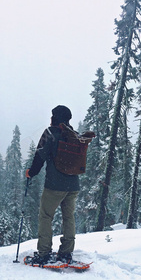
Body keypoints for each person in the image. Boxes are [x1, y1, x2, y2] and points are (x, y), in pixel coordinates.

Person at [25, 105, 92, 265]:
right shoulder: (74, 135)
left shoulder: (50, 133)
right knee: (69, 217)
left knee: (46, 217)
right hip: (73, 185)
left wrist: (31, 173)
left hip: (54, 186)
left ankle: (44, 253)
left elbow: (39, 157)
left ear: (54, 118)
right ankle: (66, 253)